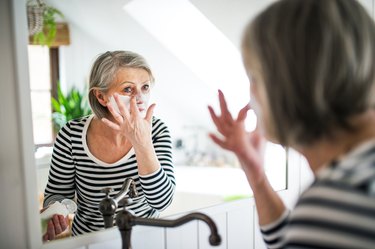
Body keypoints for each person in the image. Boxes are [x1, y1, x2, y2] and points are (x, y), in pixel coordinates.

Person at [208, 0, 375, 248]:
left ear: (287, 84)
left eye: (254, 77)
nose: (251, 94)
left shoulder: (344, 195)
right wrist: (257, 175)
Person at [42, 50, 176, 241]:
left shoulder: (157, 131)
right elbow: (57, 194)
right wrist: (56, 212)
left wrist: (142, 144)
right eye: (128, 89)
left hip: (146, 240)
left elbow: (161, 202)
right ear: (101, 97)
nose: (140, 97)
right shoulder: (71, 135)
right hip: (90, 242)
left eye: (145, 87)